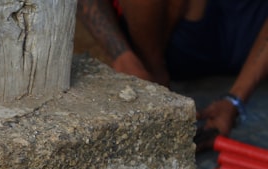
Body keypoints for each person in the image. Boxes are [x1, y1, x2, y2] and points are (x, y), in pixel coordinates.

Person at [76, 0, 268, 145]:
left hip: (250, 36)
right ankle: (153, 75)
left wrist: (235, 99)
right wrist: (124, 58)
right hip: (170, 42)